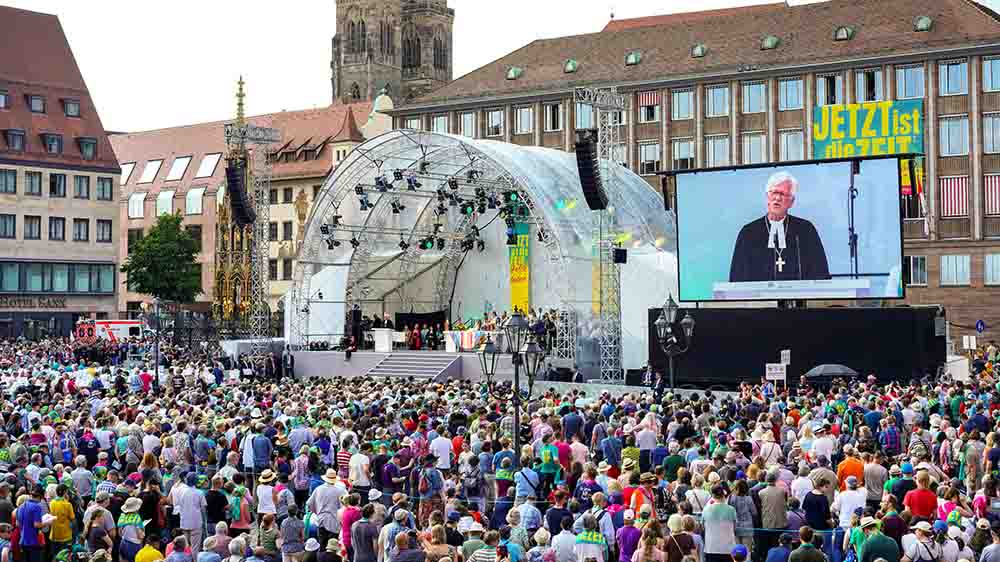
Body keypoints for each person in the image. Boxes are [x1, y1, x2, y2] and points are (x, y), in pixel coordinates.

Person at [729, 171, 830, 282]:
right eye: (774, 193)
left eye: (783, 194)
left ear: (791, 202)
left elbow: (820, 274)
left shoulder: (806, 230)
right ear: (767, 197)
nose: (777, 198)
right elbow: (737, 277)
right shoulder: (748, 233)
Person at [702, 485, 737, 562]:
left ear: (712, 495)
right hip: (728, 548)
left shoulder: (706, 510)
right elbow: (734, 528)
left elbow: (703, 527)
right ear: (723, 495)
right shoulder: (731, 510)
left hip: (711, 547)